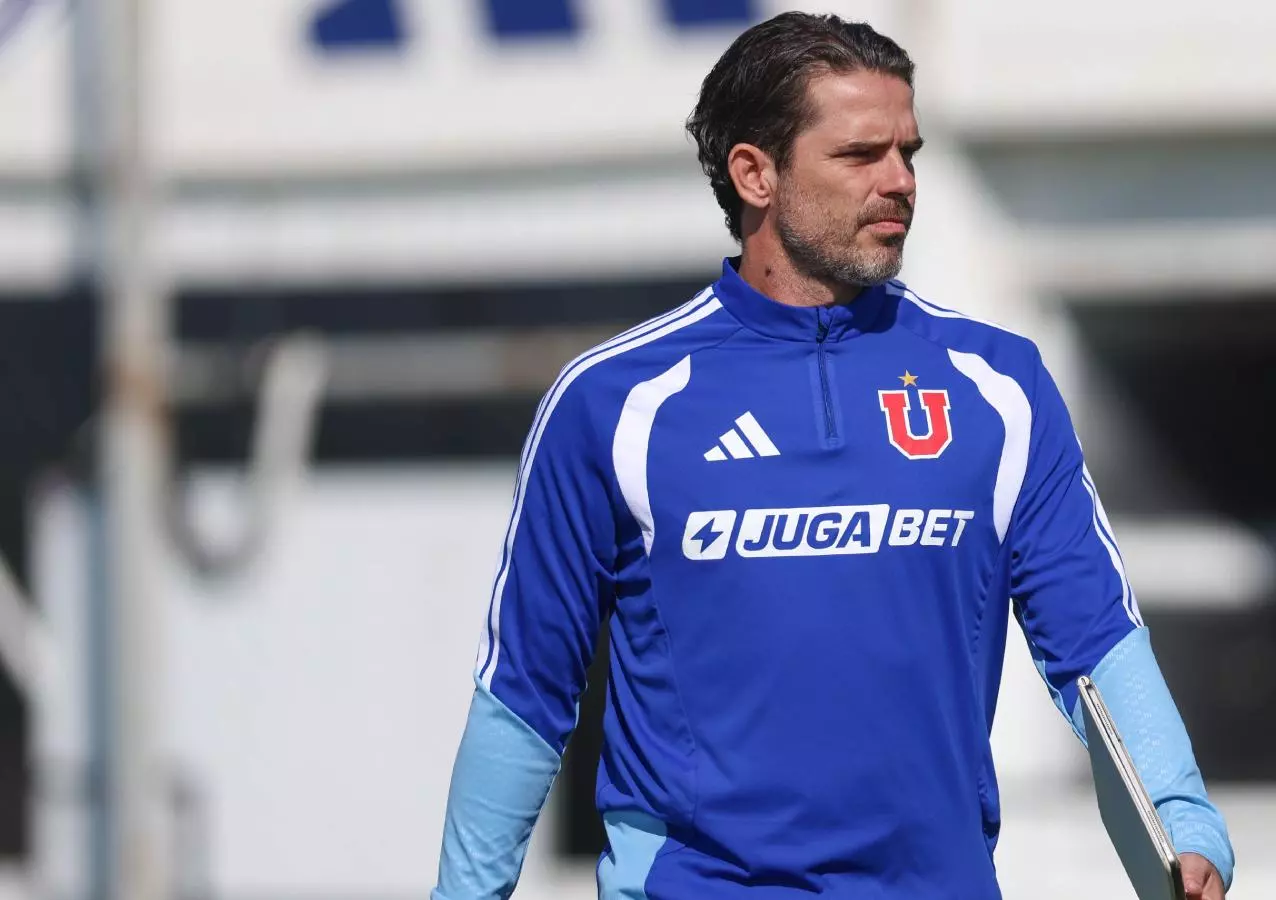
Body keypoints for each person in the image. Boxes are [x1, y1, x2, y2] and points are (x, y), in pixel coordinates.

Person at [432, 12, 1233, 900]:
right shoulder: (613, 402)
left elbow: (1093, 634)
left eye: (909, 153)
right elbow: (525, 690)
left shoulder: (998, 385)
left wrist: (1180, 817)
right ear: (755, 173)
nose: (899, 183)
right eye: (860, 156)